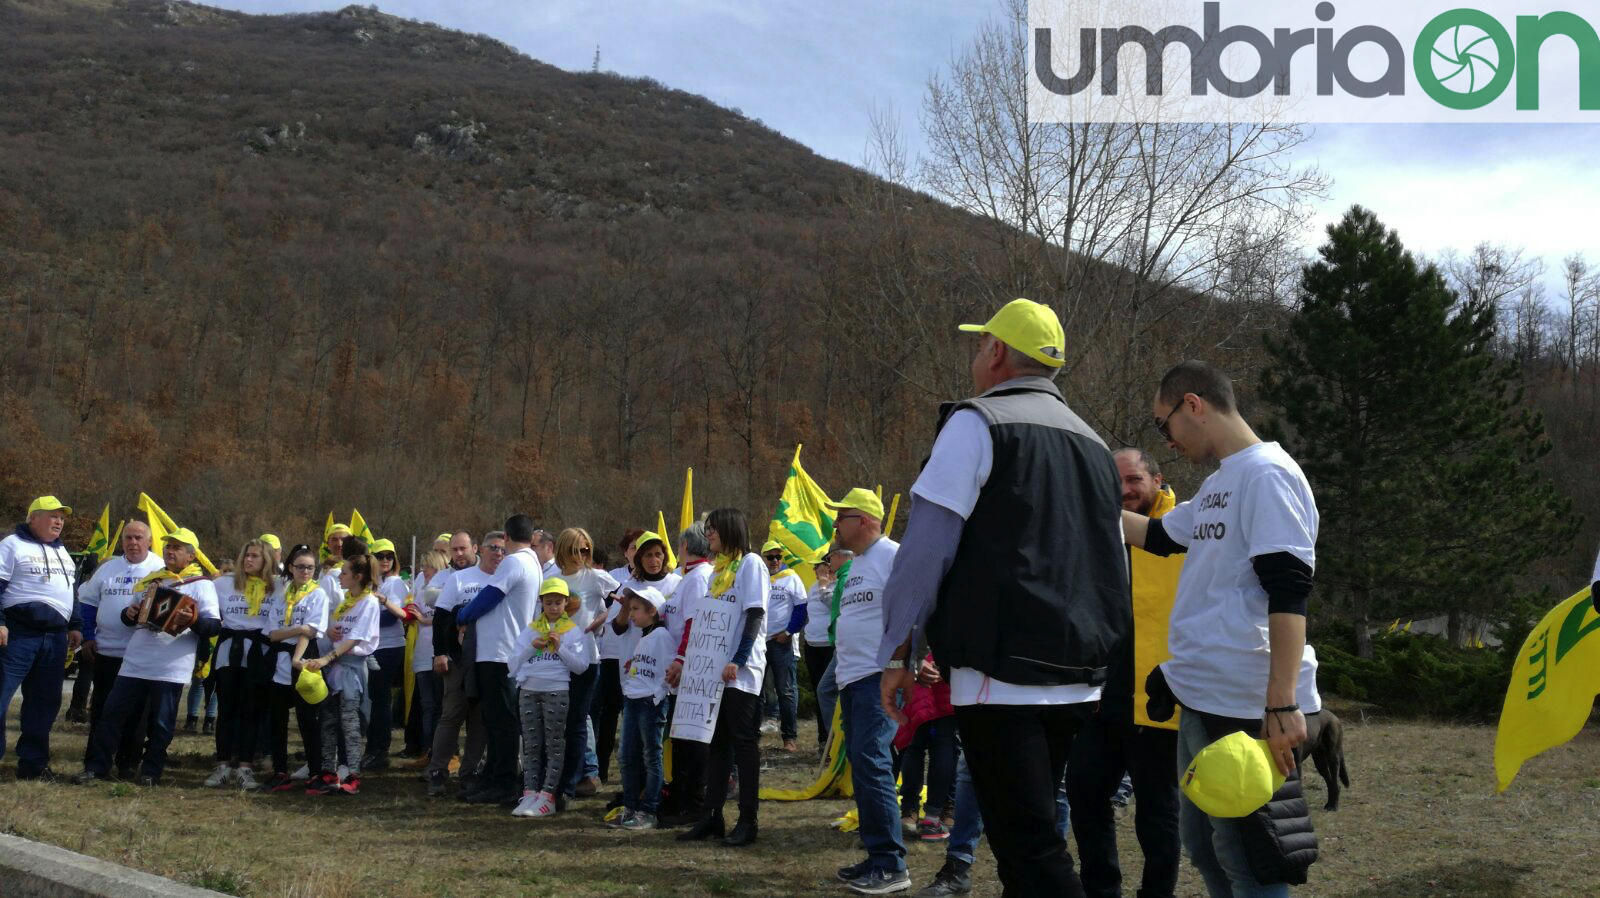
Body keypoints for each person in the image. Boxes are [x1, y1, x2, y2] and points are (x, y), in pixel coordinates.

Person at [877, 299, 1130, 898]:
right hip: (1080, 668)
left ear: (995, 352)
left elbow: (925, 547)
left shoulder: (977, 423)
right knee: (1033, 835)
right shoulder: (1095, 444)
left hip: (1003, 666)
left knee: (1029, 844)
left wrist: (899, 649)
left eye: (979, 344)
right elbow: (1111, 558)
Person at [1120, 360, 1321, 898]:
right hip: (1203, 692)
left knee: (1249, 855)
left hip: (1247, 697)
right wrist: (1078, 497)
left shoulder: (1269, 476)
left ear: (1193, 404)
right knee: (1204, 843)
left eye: (1164, 426)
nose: (1166, 440)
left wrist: (1280, 704)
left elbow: (1288, 589)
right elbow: (1158, 536)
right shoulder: (1218, 483)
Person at [1067, 447, 1184, 898]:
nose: (1123, 490)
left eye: (1133, 479)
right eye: (1113, 481)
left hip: (1158, 693)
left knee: (1156, 811)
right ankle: (1101, 889)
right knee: (1084, 791)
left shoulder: (1183, 529)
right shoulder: (1095, 531)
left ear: (1158, 479)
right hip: (1102, 694)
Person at [77, 527, 221, 786]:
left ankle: (151, 772)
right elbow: (130, 616)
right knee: (111, 714)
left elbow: (213, 626)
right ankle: (97, 768)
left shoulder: (201, 585)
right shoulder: (152, 580)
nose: (170, 551)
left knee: (161, 722)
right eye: (168, 546)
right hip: (135, 660)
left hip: (171, 665)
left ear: (191, 556)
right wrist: (129, 614)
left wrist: (193, 619)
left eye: (177, 547)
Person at [826, 488, 909, 895]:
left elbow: (913, 609)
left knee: (872, 761)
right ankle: (878, 856)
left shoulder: (893, 555)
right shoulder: (857, 563)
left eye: (841, 517)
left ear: (865, 521)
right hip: (853, 678)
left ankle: (892, 866)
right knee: (863, 764)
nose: (835, 525)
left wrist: (900, 666)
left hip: (879, 677)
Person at [676, 507, 768, 848]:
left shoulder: (750, 564)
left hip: (740, 672)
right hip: (714, 671)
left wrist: (738, 659)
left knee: (743, 744)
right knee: (717, 744)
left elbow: (755, 613)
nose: (708, 534)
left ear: (729, 529)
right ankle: (711, 815)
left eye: (713, 529)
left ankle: (748, 820)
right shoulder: (718, 572)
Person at [455, 515, 548, 806]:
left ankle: (504, 781)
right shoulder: (532, 561)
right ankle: (493, 775)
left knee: (501, 721)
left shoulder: (514, 561)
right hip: (505, 649)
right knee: (495, 719)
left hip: (500, 652)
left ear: (505, 537)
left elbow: (490, 596)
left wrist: (463, 615)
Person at [0, 497, 83, 782]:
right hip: (18, 633)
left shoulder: (64, 553)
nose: (59, 521)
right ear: (33, 517)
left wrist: (75, 625)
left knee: (45, 702)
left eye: (62, 517)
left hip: (55, 638)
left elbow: (71, 593)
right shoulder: (12, 545)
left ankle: (33, 765)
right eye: (52, 516)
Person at [77, 520, 162, 779]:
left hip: (141, 655)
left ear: (148, 541)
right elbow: (88, 603)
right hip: (106, 651)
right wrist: (88, 636)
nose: (133, 543)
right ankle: (95, 763)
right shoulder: (108, 568)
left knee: (138, 714)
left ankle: (128, 763)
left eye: (138, 538)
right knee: (102, 709)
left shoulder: (160, 568)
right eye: (128, 538)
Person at [599, 531, 682, 787]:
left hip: (661, 669)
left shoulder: (676, 583)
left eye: (658, 554)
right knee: (632, 738)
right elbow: (618, 628)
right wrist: (625, 607)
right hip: (633, 666)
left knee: (657, 736)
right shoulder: (629, 586)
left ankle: (659, 787)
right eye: (647, 555)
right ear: (638, 558)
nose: (653, 560)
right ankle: (633, 789)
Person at [302, 548, 383, 796]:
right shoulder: (346, 602)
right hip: (333, 670)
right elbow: (335, 632)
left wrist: (328, 657)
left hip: (350, 671)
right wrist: (329, 633)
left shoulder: (368, 602)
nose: (339, 576)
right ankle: (329, 773)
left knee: (350, 724)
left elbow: (355, 639)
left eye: (344, 573)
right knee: (327, 721)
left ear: (358, 576)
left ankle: (353, 774)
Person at [508, 578, 589, 818]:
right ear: (541, 603)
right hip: (529, 690)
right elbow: (512, 665)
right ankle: (530, 791)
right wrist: (532, 647)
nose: (553, 607)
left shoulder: (573, 631)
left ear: (566, 603)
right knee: (531, 744)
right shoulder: (530, 630)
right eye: (549, 602)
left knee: (554, 744)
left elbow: (581, 667)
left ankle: (548, 795)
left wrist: (560, 647)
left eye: (558, 603)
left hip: (556, 689)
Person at [426, 530, 498, 797]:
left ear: (476, 549)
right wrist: (440, 652)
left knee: (479, 719)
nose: (458, 554)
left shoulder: (498, 578)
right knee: (451, 714)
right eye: (453, 550)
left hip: (488, 659)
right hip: (458, 660)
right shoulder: (458, 580)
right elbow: (440, 619)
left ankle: (469, 772)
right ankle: (437, 771)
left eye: (462, 549)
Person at [552, 527, 619, 804]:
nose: (582, 555)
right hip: (555, 658)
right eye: (577, 549)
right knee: (559, 721)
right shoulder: (551, 578)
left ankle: (570, 785)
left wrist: (602, 619)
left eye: (586, 550)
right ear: (563, 550)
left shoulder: (595, 578)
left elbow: (624, 598)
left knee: (578, 720)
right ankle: (556, 778)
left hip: (587, 659)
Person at [205, 538, 276, 790]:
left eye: (255, 556)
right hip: (229, 652)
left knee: (252, 709)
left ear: (266, 560)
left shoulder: (277, 586)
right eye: (246, 555)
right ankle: (223, 766)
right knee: (226, 709)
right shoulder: (223, 584)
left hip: (259, 652)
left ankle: (245, 767)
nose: (249, 560)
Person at [259, 544, 329, 793]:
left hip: (304, 659)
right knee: (277, 719)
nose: (306, 572)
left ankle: (316, 772)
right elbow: (272, 633)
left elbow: (311, 631)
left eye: (311, 567)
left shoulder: (317, 594)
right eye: (301, 567)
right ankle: (280, 771)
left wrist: (299, 636)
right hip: (279, 660)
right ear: (290, 567)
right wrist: (297, 629)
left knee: (308, 720)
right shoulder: (282, 593)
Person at [658, 521, 714, 827]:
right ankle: (680, 795)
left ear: (685, 546)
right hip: (684, 670)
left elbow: (693, 622)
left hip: (692, 671)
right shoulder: (688, 577)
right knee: (680, 738)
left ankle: (693, 801)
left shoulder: (698, 578)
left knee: (690, 739)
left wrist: (681, 659)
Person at [612, 585, 675, 831]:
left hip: (650, 703)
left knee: (652, 756)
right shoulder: (644, 637)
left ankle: (649, 809)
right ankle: (629, 807)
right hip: (633, 700)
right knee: (626, 756)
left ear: (652, 611)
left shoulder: (662, 637)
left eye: (636, 609)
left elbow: (668, 670)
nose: (631, 614)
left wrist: (658, 696)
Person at [364, 538, 411, 770]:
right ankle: (372, 748)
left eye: (389, 556)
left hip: (390, 646)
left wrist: (362, 620)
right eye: (380, 556)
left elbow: (393, 615)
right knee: (374, 699)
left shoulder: (395, 583)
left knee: (381, 699)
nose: (385, 560)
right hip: (372, 646)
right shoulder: (373, 582)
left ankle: (380, 750)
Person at [759, 540, 805, 753]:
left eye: (778, 557)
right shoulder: (757, 577)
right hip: (758, 642)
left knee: (785, 691)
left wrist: (788, 632)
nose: (775, 561)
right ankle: (751, 736)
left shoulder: (791, 578)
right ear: (763, 558)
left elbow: (802, 608)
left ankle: (789, 738)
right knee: (755, 691)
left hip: (780, 643)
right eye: (770, 557)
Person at [409, 549, 449, 766]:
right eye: (423, 568)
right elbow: (413, 611)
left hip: (440, 652)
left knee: (441, 706)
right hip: (423, 652)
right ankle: (427, 751)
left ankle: (443, 753)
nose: (423, 571)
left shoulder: (446, 585)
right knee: (427, 705)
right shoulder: (422, 588)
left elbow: (445, 617)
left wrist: (425, 621)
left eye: (427, 567)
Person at [800, 551, 838, 751]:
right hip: (812, 645)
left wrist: (825, 586)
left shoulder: (836, 585)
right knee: (818, 691)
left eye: (817, 566)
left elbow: (835, 606)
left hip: (829, 647)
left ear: (827, 566)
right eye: (814, 567)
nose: (814, 570)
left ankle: (835, 738)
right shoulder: (812, 587)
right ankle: (823, 737)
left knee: (829, 691)